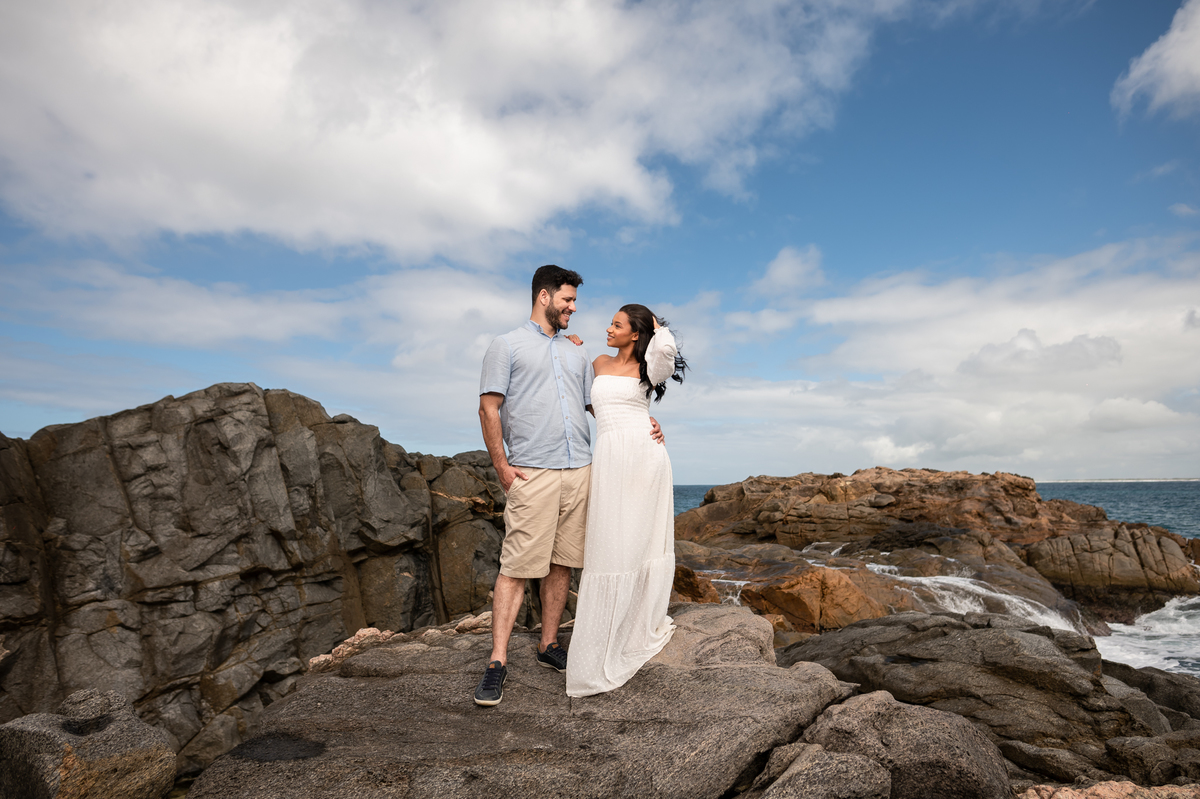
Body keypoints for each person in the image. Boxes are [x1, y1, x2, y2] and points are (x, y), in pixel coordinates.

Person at [475, 267, 662, 707]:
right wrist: (502, 468)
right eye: (568, 301)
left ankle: (548, 644)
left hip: (580, 470)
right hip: (532, 473)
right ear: (544, 297)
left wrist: (643, 422)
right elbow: (489, 409)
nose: (574, 309)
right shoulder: (506, 345)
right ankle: (497, 661)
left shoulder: (577, 353)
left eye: (574, 302)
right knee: (517, 566)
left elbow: (596, 404)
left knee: (563, 565)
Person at [566, 303, 687, 697]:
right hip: (609, 456)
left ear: (635, 333)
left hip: (643, 457)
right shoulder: (597, 361)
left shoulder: (649, 369)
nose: (608, 328)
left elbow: (666, 351)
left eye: (616, 324)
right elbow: (589, 402)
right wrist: (569, 348)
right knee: (609, 548)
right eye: (610, 323)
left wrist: (656, 325)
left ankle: (635, 626)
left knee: (638, 544)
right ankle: (602, 642)